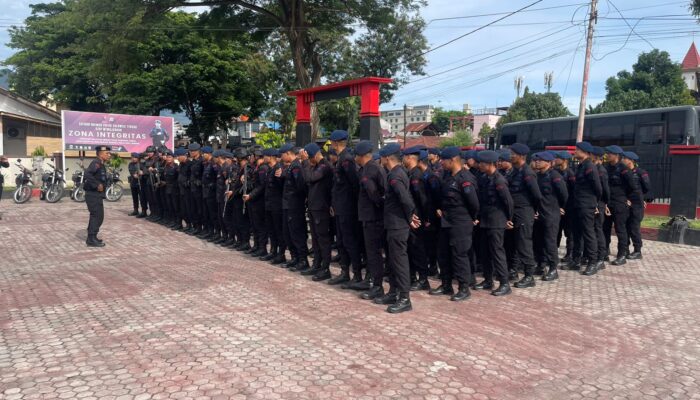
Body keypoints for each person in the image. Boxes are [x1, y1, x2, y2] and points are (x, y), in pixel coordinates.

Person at [429, 146, 480, 301]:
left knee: (460, 255)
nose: (441, 163)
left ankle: (464, 287)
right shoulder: (448, 176)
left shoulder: (465, 179)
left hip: (460, 222)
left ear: (453, 160)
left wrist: (471, 218)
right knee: (443, 254)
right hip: (446, 221)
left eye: (444, 160)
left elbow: (474, 204)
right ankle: (446, 284)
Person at [375, 143, 419, 313]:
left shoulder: (395, 175)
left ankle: (404, 298)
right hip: (392, 223)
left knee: (399, 261)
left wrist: (410, 216)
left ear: (387, 158)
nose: (381, 159)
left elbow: (405, 199)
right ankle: (393, 292)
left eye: (382, 156)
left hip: (398, 225)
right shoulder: (395, 173)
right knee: (393, 260)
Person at [474, 150, 514, 296]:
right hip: (485, 220)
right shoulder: (485, 178)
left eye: (482, 163)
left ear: (490, 164)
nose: (479, 165)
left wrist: (509, 219)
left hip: (496, 221)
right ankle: (487, 280)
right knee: (485, 252)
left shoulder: (499, 180)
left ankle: (504, 283)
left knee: (497, 252)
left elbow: (508, 201)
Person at [329, 130, 364, 288]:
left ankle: (356, 275)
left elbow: (354, 184)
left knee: (350, 242)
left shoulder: (347, 160)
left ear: (336, 142)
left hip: (348, 209)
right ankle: (344, 273)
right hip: (340, 208)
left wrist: (351, 206)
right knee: (342, 242)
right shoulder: (341, 159)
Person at [354, 140, 387, 300]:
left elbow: (381, 194)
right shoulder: (365, 169)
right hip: (367, 217)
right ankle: (371, 280)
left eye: (356, 156)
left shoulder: (373, 169)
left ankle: (377, 286)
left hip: (374, 218)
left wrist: (378, 209)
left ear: (361, 156)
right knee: (370, 252)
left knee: (374, 253)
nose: (355, 158)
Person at [507, 143, 542, 289]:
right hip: (514, 212)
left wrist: (533, 210)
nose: (510, 156)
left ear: (520, 156)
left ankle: (529, 276)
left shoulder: (527, 173)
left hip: (524, 212)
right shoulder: (514, 171)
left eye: (512, 153)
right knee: (513, 243)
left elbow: (537, 195)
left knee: (524, 243)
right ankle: (513, 270)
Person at [299, 142, 333, 280]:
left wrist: (305, 162)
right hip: (314, 207)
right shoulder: (316, 166)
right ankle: (317, 264)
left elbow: (309, 178)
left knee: (323, 239)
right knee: (316, 239)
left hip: (322, 208)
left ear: (313, 156)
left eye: (308, 158)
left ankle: (325, 268)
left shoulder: (324, 166)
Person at [532, 152, 568, 281]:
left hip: (551, 213)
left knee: (550, 242)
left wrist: (560, 207)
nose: (537, 162)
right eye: (536, 160)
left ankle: (553, 268)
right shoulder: (537, 176)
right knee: (538, 241)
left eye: (540, 160)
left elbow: (564, 194)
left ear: (549, 162)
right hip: (539, 213)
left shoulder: (555, 176)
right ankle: (541, 265)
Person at [570, 141, 603, 276]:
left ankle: (592, 263)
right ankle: (576, 260)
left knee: (589, 234)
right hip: (578, 204)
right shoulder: (581, 166)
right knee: (577, 233)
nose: (575, 152)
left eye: (577, 150)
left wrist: (594, 203)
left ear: (585, 152)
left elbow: (598, 188)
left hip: (586, 205)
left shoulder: (590, 167)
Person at [402, 146, 431, 291]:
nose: (402, 159)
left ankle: (423, 279)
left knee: (418, 248)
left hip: (417, 218)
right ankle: (412, 276)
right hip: (411, 217)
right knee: (411, 248)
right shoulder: (410, 173)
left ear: (410, 158)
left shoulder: (416, 175)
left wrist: (425, 218)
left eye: (404, 157)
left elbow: (422, 199)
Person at [280, 144, 309, 271]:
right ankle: (295, 258)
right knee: (288, 233)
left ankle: (302, 260)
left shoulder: (296, 166)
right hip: (287, 205)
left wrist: (297, 201)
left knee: (297, 233)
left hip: (294, 206)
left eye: (282, 155)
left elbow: (300, 186)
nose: (281, 158)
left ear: (288, 153)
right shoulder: (291, 166)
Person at [245, 148, 270, 257]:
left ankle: (262, 247)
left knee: (260, 225)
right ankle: (256, 245)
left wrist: (251, 195)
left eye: (252, 156)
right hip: (253, 200)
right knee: (254, 224)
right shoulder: (257, 168)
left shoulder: (263, 168)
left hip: (258, 201)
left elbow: (261, 186)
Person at [84, 145, 111, 247]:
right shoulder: (96, 163)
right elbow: (87, 174)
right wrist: (97, 184)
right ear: (100, 154)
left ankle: (93, 236)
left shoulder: (101, 164)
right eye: (107, 153)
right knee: (96, 216)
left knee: (99, 216)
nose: (109, 155)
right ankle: (91, 239)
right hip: (93, 194)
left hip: (97, 195)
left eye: (109, 153)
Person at [263, 149, 286, 264]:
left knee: (278, 230)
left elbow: (281, 187)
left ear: (271, 156)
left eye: (265, 155)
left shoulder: (278, 168)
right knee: (271, 230)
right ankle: (273, 251)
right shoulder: (270, 169)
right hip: (269, 205)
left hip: (277, 205)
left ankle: (281, 254)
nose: (263, 158)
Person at [555, 151, 576, 264]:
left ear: (564, 160)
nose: (556, 159)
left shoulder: (570, 174)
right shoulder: (556, 172)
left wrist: (565, 207)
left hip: (568, 208)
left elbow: (572, 192)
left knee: (569, 232)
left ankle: (570, 254)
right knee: (556, 232)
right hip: (557, 207)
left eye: (558, 158)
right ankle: (554, 252)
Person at [622, 151, 645, 260]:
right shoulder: (623, 172)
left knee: (634, 227)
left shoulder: (640, 172)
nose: (623, 160)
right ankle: (625, 249)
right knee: (625, 226)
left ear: (631, 161)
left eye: (625, 158)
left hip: (636, 204)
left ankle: (637, 251)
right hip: (625, 203)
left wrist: (640, 198)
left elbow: (647, 187)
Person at [592, 146, 610, 268]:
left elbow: (604, 190)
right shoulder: (593, 169)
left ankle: (601, 257)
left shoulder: (601, 171)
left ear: (595, 157)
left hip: (599, 204)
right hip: (593, 203)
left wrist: (602, 204)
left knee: (598, 230)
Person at [188, 143, 205, 236]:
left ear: (198, 151)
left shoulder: (202, 161)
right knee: (193, 208)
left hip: (199, 189)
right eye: (190, 151)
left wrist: (200, 181)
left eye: (193, 151)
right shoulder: (193, 161)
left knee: (200, 209)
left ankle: (201, 228)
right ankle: (196, 226)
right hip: (193, 188)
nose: (191, 152)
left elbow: (204, 175)